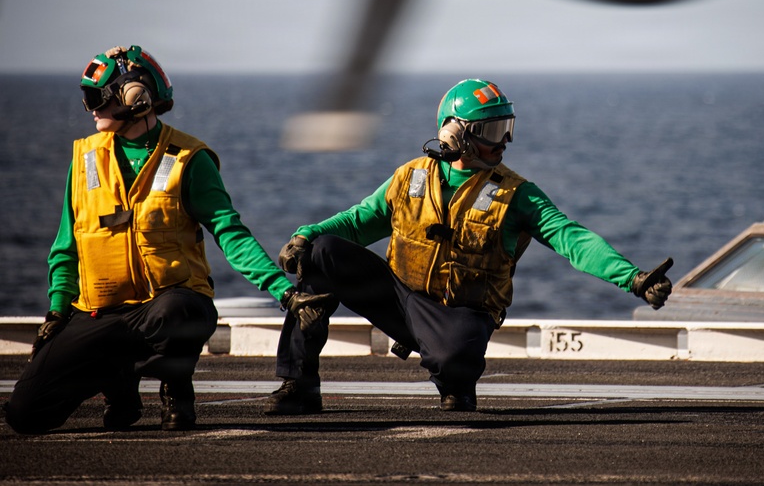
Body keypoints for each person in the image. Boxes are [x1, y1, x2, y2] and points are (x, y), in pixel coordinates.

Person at [267, 78, 673, 414]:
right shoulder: (409, 177)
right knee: (321, 252)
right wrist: (305, 235)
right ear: (455, 133)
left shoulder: (517, 194)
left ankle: (456, 384)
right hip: (398, 296)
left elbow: (572, 238)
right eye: (493, 132)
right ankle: (299, 384)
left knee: (456, 360)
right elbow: (358, 221)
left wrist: (633, 279)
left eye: (507, 129)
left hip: (457, 312)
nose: (504, 142)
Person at [3, 45, 329, 434]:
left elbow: (231, 233)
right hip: (99, 314)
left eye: (96, 98)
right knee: (25, 415)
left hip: (168, 307)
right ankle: (118, 382)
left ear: (134, 98)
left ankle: (176, 388)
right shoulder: (85, 158)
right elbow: (66, 246)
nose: (89, 108)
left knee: (178, 311)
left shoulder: (189, 159)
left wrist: (285, 293)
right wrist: (58, 312)